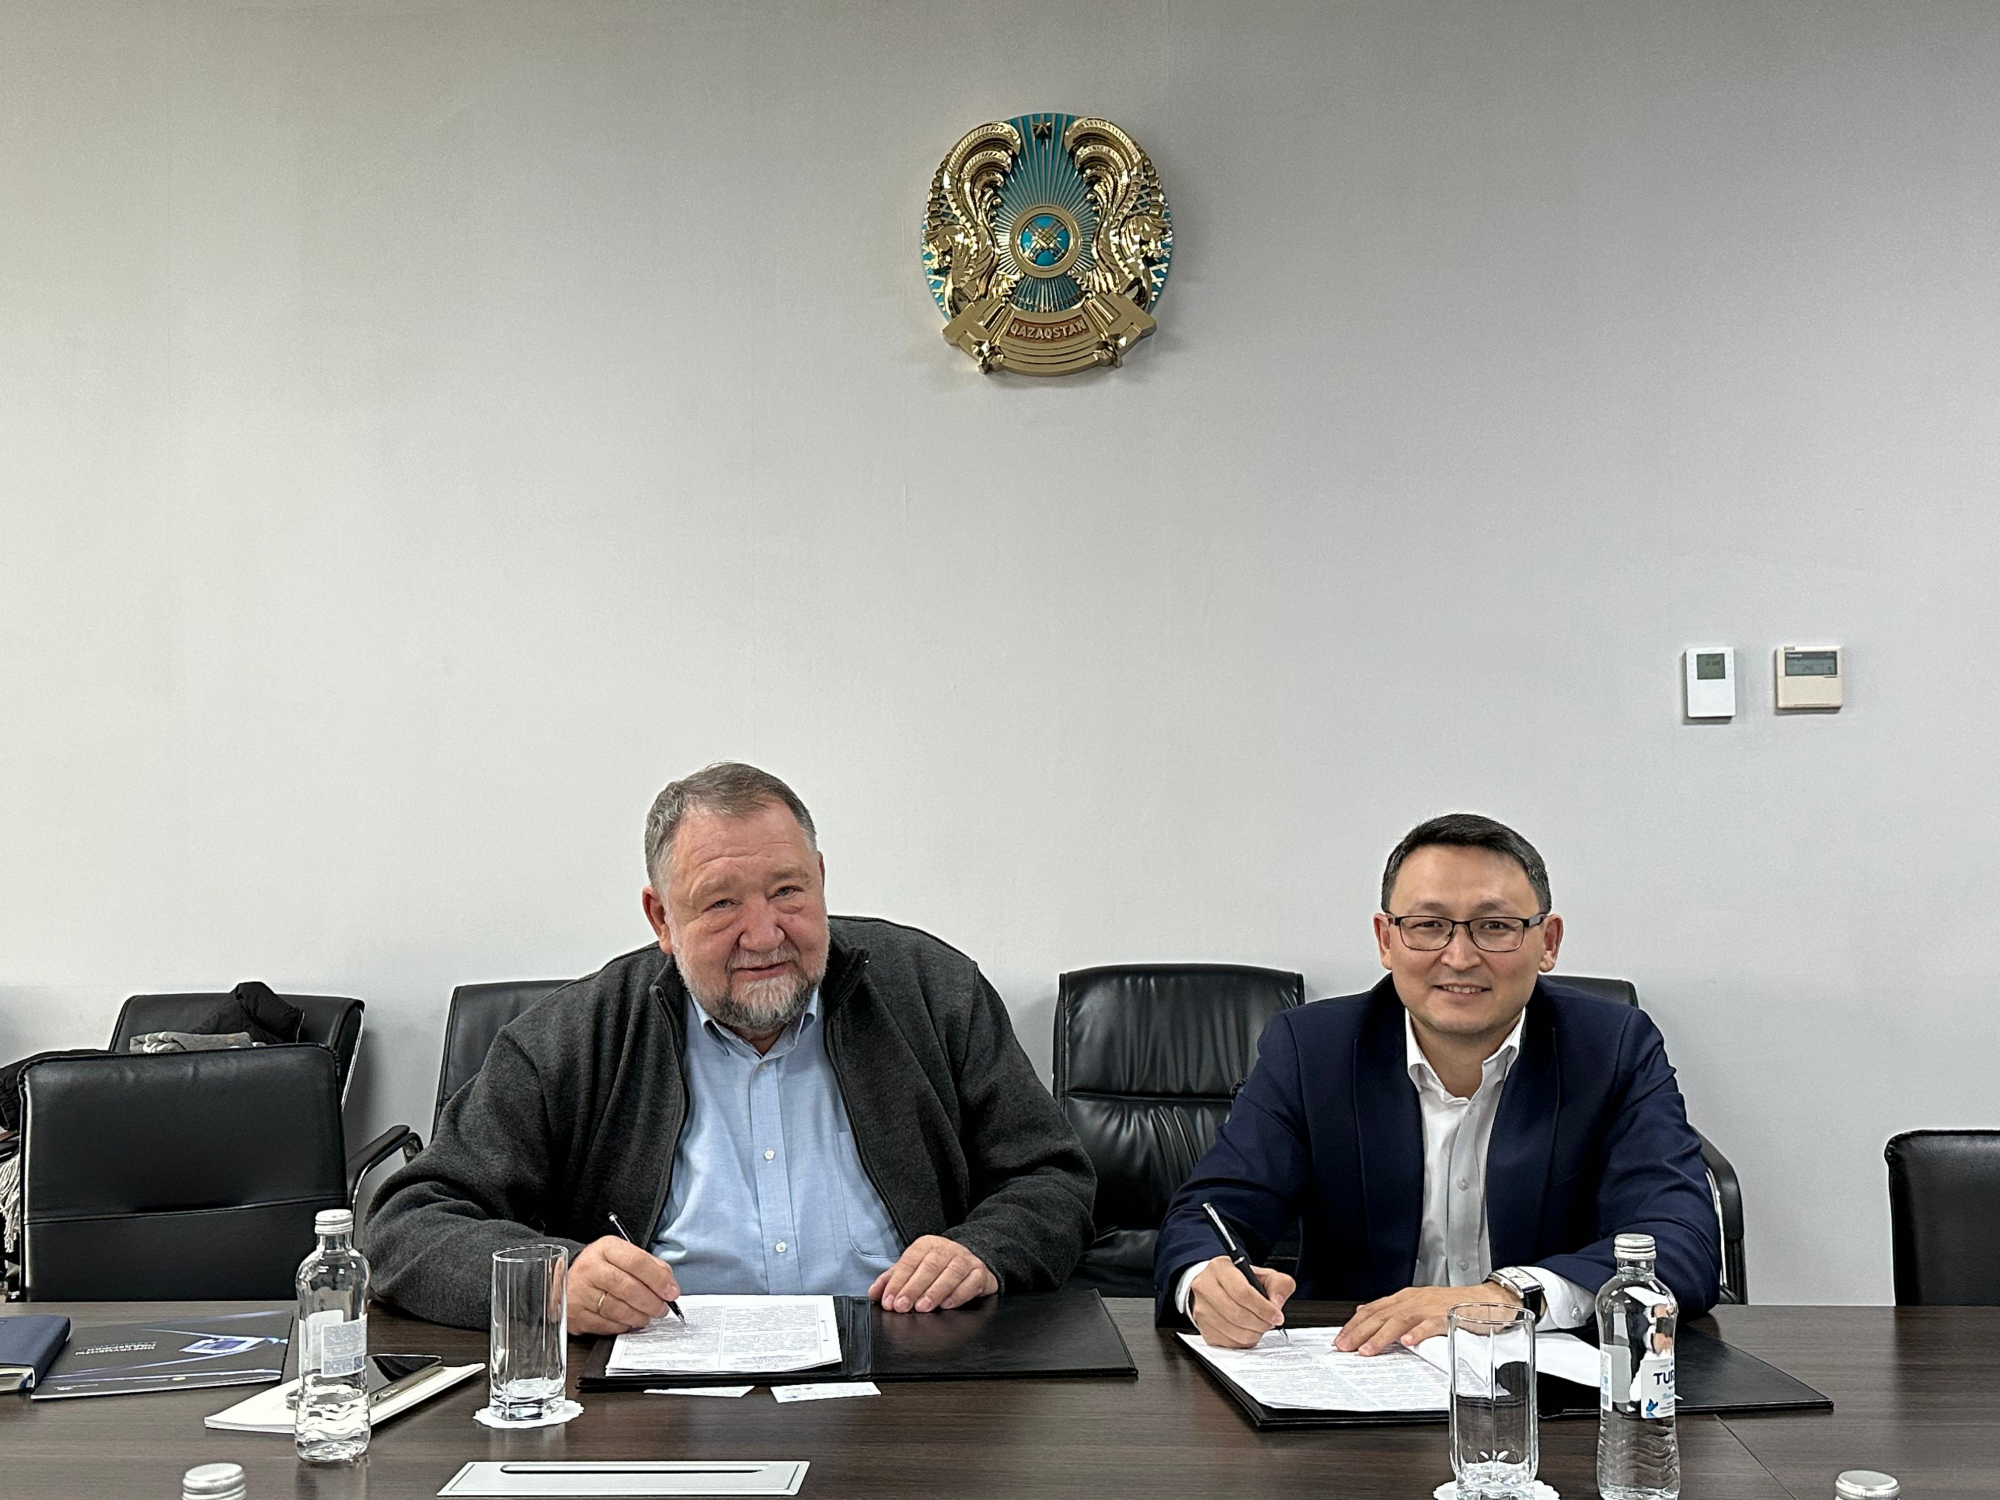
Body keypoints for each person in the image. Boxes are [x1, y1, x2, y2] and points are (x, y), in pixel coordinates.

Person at [366, 762, 1095, 1332]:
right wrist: (555, 1282)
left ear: (821, 881)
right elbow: (407, 1227)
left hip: (910, 1368)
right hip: (659, 1391)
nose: (765, 934)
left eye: (788, 892)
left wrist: (984, 1250)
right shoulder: (573, 1038)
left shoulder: (935, 994)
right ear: (661, 918)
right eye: (721, 903)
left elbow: (1052, 1178)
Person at [1154, 813, 1720, 1350]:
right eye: (1428, 926)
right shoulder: (1311, 1051)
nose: (1459, 956)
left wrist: (1510, 1296)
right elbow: (1209, 1213)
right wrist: (1206, 1280)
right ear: (1385, 939)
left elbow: (1681, 1241)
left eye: (1495, 926)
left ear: (1547, 942)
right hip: (1361, 1371)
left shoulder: (1612, 1047)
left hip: (1546, 1383)